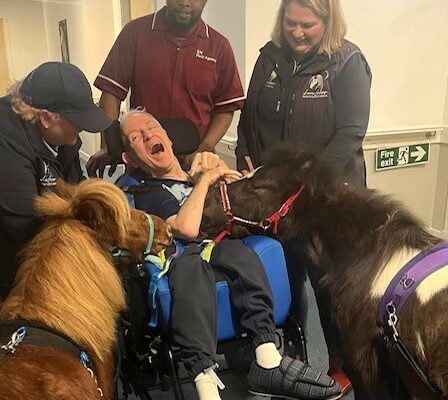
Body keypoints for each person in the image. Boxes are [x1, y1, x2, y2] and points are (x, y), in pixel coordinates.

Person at [120, 109, 341, 400]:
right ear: (131, 159)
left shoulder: (197, 170)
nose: (149, 135)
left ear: (169, 139)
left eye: (152, 127)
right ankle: (205, 384)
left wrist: (235, 182)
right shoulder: (149, 191)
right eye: (137, 137)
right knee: (190, 270)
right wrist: (206, 180)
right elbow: (186, 229)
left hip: (221, 246)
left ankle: (267, 358)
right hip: (181, 257)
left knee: (242, 254)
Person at [236, 0, 372, 393]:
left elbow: (350, 133)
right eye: (291, 23)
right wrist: (247, 152)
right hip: (278, 201)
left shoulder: (347, 62)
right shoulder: (268, 58)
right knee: (284, 278)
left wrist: (303, 180)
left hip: (327, 198)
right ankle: (293, 354)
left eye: (307, 25)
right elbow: (248, 119)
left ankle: (341, 363)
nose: (297, 32)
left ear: (328, 22)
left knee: (330, 287)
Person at [0, 62, 112, 350]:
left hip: (15, 245)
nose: (82, 129)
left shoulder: (63, 135)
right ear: (46, 118)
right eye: (77, 121)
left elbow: (74, 191)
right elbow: (29, 228)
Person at [88, 0, 245, 177]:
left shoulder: (219, 46)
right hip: (145, 163)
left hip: (194, 164)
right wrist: (108, 145)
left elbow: (226, 108)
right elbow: (111, 91)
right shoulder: (135, 33)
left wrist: (204, 149)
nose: (185, 2)